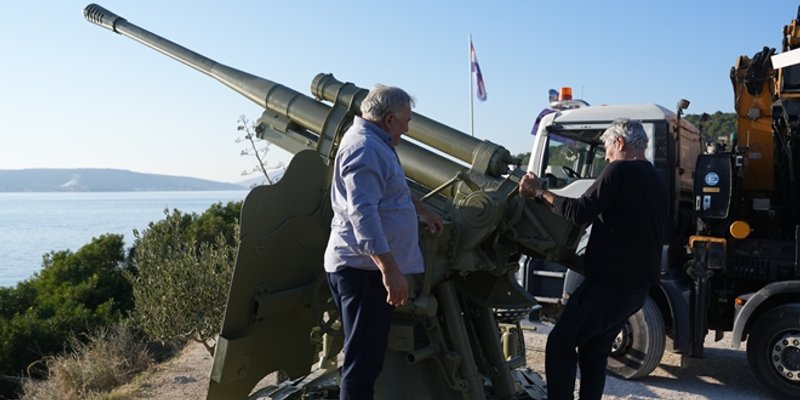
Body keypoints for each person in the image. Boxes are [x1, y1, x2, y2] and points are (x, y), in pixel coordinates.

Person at [518, 118, 669, 400]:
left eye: (607, 150)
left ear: (620, 143)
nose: (607, 156)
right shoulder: (655, 178)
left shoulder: (620, 171)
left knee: (560, 344)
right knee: (593, 351)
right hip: (637, 287)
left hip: (610, 283)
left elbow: (579, 211)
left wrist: (539, 191)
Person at [323, 84, 443, 400]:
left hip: (366, 270)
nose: (408, 127)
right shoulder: (364, 148)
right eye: (406, 120)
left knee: (367, 358)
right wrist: (389, 270)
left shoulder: (377, 145)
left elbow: (392, 189)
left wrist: (424, 211)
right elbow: (363, 214)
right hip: (363, 272)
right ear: (390, 119)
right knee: (362, 363)